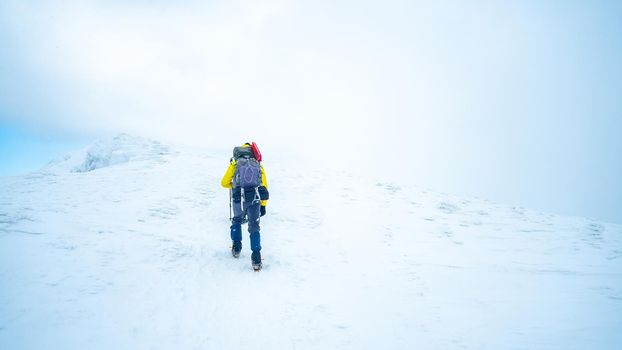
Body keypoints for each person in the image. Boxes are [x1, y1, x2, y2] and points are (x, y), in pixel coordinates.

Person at [220, 142, 269, 270]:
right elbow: (264, 185)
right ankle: (256, 258)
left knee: (236, 220)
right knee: (254, 226)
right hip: (255, 199)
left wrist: (235, 186)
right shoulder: (258, 164)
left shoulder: (235, 164)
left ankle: (236, 248)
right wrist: (263, 204)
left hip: (238, 198)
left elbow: (224, 183)